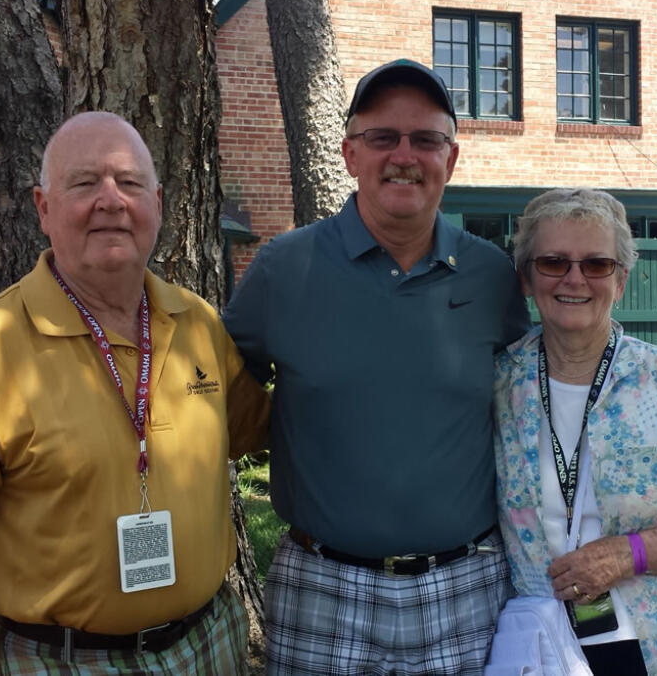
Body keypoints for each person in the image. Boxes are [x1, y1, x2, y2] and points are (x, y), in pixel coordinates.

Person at [0, 111, 270, 675]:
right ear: (43, 209)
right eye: (83, 183)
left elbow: (260, 430)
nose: (110, 200)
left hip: (208, 645)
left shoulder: (197, 323)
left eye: (129, 182)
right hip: (58, 661)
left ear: (158, 202)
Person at [223, 59, 531, 675]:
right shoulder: (284, 269)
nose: (404, 155)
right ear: (349, 155)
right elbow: (217, 394)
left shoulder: (491, 274)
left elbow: (527, 398)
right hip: (322, 585)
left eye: (425, 140)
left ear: (452, 158)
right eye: (382, 138)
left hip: (465, 586)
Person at [493, 188, 657, 674]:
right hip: (540, 643)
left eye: (596, 264)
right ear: (527, 278)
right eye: (553, 262)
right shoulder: (499, 384)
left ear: (622, 281)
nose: (574, 279)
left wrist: (626, 554)